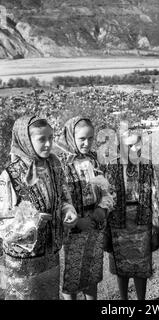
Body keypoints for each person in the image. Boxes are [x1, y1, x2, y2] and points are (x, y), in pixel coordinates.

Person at [0, 115, 77, 300]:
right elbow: (3, 224)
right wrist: (32, 223)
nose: (49, 144)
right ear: (25, 141)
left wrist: (69, 211)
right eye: (42, 139)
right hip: (23, 263)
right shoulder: (9, 176)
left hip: (50, 255)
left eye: (51, 138)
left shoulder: (54, 165)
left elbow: (64, 196)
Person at [55, 116, 113, 300]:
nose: (87, 143)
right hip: (72, 230)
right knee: (71, 278)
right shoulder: (60, 163)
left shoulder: (93, 159)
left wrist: (103, 208)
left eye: (90, 138)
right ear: (72, 136)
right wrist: (77, 221)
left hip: (94, 225)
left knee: (92, 273)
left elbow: (106, 188)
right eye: (82, 139)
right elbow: (58, 198)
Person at [102, 127, 159, 300]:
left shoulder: (147, 165)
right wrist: (105, 227)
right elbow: (105, 196)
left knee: (141, 265)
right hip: (118, 222)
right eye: (129, 145)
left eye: (137, 144)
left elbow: (155, 195)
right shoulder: (111, 166)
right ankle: (123, 300)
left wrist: (156, 226)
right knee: (122, 265)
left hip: (141, 220)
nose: (134, 149)